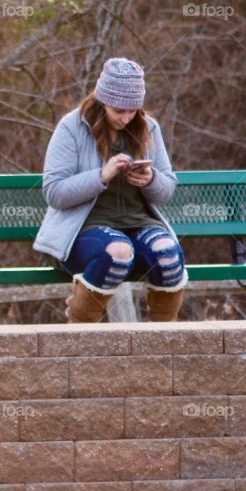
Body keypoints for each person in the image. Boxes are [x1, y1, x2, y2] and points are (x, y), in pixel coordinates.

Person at [34, 57, 187, 323]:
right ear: (102, 99)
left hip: (138, 225)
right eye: (118, 110)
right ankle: (80, 332)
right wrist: (101, 176)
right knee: (117, 251)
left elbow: (167, 191)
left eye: (132, 110)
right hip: (83, 234)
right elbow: (54, 192)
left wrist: (150, 179)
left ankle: (164, 341)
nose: (126, 117)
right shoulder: (72, 127)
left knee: (167, 253)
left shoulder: (148, 127)